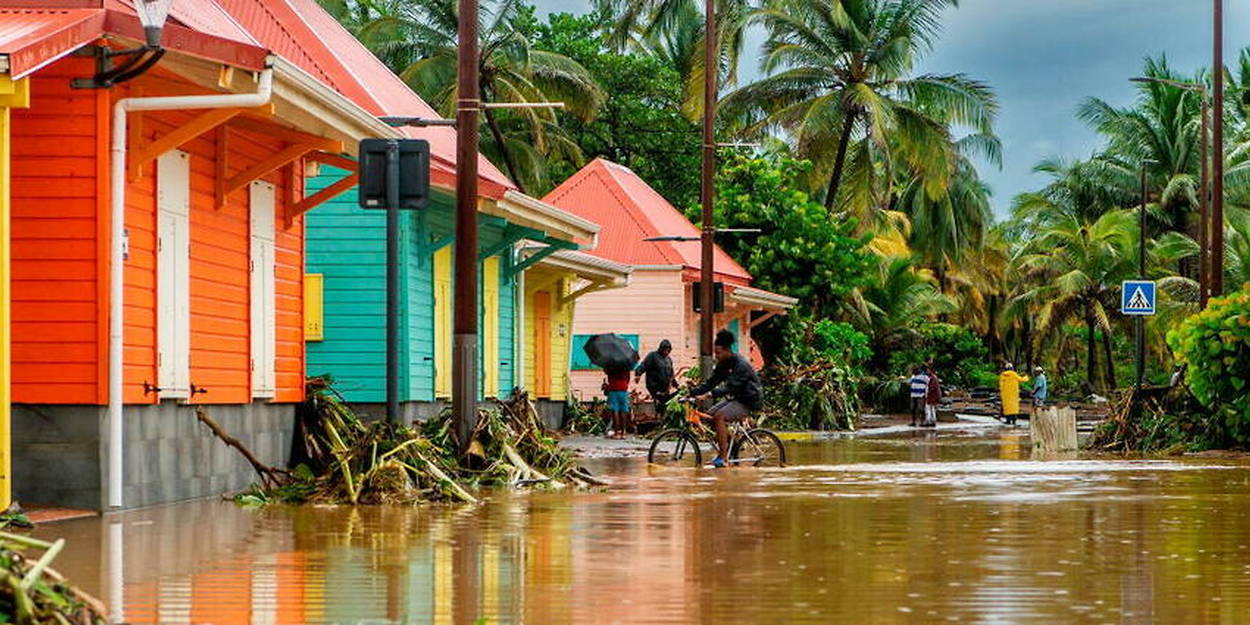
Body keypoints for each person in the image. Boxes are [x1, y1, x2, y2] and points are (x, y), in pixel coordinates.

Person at [689, 330, 763, 468]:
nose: (716, 356)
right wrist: (692, 392)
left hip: (748, 401)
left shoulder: (741, 365)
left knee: (720, 417)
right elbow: (711, 382)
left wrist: (709, 395)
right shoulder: (724, 364)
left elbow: (730, 387)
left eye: (718, 353)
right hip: (736, 398)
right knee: (709, 416)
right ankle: (731, 445)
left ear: (728, 351)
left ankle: (723, 458)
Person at [636, 339, 678, 413]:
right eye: (665, 350)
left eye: (668, 350)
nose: (666, 352)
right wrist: (638, 374)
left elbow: (671, 373)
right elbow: (644, 365)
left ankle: (662, 419)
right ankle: (660, 418)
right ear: (661, 348)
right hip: (654, 386)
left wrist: (676, 384)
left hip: (665, 388)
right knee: (660, 403)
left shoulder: (668, 359)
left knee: (665, 404)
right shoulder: (652, 356)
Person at [602, 365, 632, 439]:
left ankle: (616, 432)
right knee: (624, 410)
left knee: (615, 411)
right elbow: (628, 379)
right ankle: (623, 432)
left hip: (613, 389)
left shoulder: (611, 364)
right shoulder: (626, 365)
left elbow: (606, 371)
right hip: (623, 389)